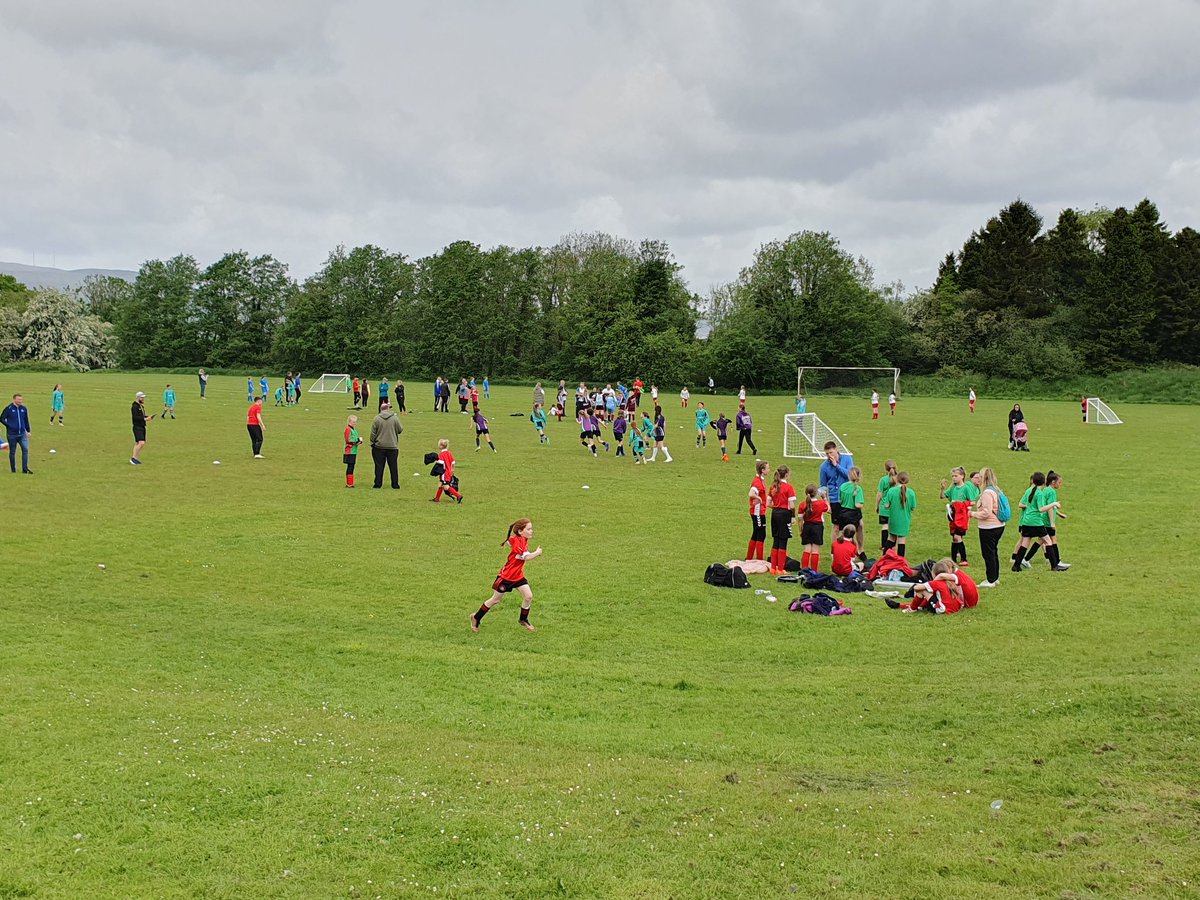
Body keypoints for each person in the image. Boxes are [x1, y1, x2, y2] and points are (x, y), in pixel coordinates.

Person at [470, 518, 543, 633]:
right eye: (529, 529)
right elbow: (526, 557)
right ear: (520, 531)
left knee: (528, 596)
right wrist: (537, 553)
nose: (532, 531)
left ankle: (523, 620)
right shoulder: (518, 541)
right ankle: (476, 617)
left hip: (518, 576)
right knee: (495, 600)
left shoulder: (522, 539)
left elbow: (514, 545)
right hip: (506, 577)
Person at [1025, 470, 1070, 571]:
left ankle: (1026, 559)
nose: (1060, 484)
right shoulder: (1052, 492)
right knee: (1052, 540)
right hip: (1047, 521)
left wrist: (1059, 514)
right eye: (1059, 482)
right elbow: (1050, 508)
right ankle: (1057, 562)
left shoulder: (1045, 490)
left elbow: (1049, 506)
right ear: (1053, 482)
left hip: (1043, 520)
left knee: (1041, 541)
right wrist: (1052, 523)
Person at [970, 466, 1006, 587]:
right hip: (998, 525)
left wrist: (972, 514)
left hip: (989, 527)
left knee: (988, 554)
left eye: (980, 476)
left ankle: (990, 579)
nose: (978, 479)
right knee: (993, 552)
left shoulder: (987, 493)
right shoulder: (996, 490)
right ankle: (995, 577)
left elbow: (986, 512)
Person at [939, 466, 979, 566]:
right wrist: (942, 488)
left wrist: (961, 505)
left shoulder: (966, 488)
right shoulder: (953, 488)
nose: (954, 478)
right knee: (954, 537)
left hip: (962, 516)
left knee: (958, 536)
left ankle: (963, 559)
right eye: (952, 476)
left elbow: (973, 502)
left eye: (956, 476)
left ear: (962, 476)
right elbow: (943, 496)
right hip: (953, 515)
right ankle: (953, 560)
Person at [1011, 471, 1050, 572]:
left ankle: (1016, 564)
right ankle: (1055, 564)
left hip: (1026, 521)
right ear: (1043, 481)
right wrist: (1053, 504)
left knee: (1025, 543)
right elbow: (1041, 509)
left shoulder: (1029, 490)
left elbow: (1021, 503)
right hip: (1036, 522)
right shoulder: (1039, 493)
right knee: (1048, 540)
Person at [767, 465, 797, 575]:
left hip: (775, 514)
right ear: (787, 475)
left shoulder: (773, 487)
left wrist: (776, 506)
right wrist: (793, 517)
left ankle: (773, 568)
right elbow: (792, 505)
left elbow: (768, 503)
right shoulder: (789, 488)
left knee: (776, 540)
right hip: (785, 515)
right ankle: (780, 568)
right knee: (783, 541)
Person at [880, 471, 917, 558]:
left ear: (897, 479)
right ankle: (900, 561)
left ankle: (884, 557)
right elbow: (913, 508)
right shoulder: (911, 492)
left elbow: (886, 506)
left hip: (893, 519)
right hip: (905, 520)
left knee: (891, 538)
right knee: (902, 540)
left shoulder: (891, 491)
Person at [369, 401, 403, 489]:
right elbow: (400, 430)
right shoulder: (395, 418)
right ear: (388, 409)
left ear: (381, 409)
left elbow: (373, 433)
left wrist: (372, 442)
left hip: (379, 446)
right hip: (392, 446)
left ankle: (378, 484)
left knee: (379, 466)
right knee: (393, 466)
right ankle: (395, 484)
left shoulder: (376, 419)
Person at [819, 441, 851, 526]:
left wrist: (836, 466)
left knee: (850, 525)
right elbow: (823, 486)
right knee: (836, 526)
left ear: (836, 450)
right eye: (827, 453)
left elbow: (850, 475)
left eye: (831, 452)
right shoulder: (824, 467)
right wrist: (826, 502)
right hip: (835, 499)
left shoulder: (847, 459)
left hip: (848, 497)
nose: (829, 455)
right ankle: (835, 540)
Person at [838, 466, 866, 556]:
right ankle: (859, 550)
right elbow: (858, 505)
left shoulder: (842, 486)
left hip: (843, 512)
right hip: (853, 513)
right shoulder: (857, 489)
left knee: (844, 533)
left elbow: (840, 501)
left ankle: (841, 551)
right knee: (857, 530)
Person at [2, 393, 33, 474]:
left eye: (21, 400)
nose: (20, 401)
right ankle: (13, 470)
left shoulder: (23, 409)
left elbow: (26, 420)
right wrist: (9, 426)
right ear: (14, 400)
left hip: (22, 434)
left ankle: (25, 469)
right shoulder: (9, 408)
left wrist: (28, 431)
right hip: (12, 434)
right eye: (19, 400)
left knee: (25, 450)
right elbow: (2, 418)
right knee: (12, 451)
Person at [747, 459, 769, 561]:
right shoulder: (758, 482)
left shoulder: (761, 480)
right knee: (760, 534)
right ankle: (759, 559)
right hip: (758, 512)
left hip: (759, 511)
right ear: (762, 470)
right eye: (768, 468)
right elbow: (751, 493)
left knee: (756, 533)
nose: (769, 470)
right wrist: (759, 498)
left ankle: (749, 557)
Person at [875, 459, 898, 552]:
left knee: (885, 525)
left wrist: (877, 505)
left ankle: (884, 545)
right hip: (894, 507)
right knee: (893, 526)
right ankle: (892, 544)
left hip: (884, 506)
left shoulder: (883, 480)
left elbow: (879, 494)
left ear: (886, 469)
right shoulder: (898, 479)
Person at [431, 438, 463, 503]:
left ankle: (458, 496)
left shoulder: (441, 454)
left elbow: (441, 462)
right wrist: (452, 469)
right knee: (440, 485)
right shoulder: (449, 453)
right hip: (448, 472)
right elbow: (453, 462)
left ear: (441, 446)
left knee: (446, 486)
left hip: (444, 473)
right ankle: (437, 498)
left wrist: (435, 459)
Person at [130, 391, 152, 465]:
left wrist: (147, 417)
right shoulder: (135, 406)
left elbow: (141, 416)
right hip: (137, 426)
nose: (143, 399)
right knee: (141, 442)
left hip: (142, 426)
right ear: (138, 397)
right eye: (142, 398)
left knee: (138, 443)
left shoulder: (141, 406)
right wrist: (145, 419)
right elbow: (135, 417)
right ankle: (133, 458)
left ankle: (135, 458)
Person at [342, 415, 362, 487]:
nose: (355, 423)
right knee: (350, 467)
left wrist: (358, 442)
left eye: (355, 422)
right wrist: (357, 440)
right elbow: (348, 440)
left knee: (352, 466)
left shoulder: (354, 430)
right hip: (349, 451)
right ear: (349, 422)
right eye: (353, 422)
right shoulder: (348, 429)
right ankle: (349, 483)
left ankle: (350, 483)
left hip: (354, 451)